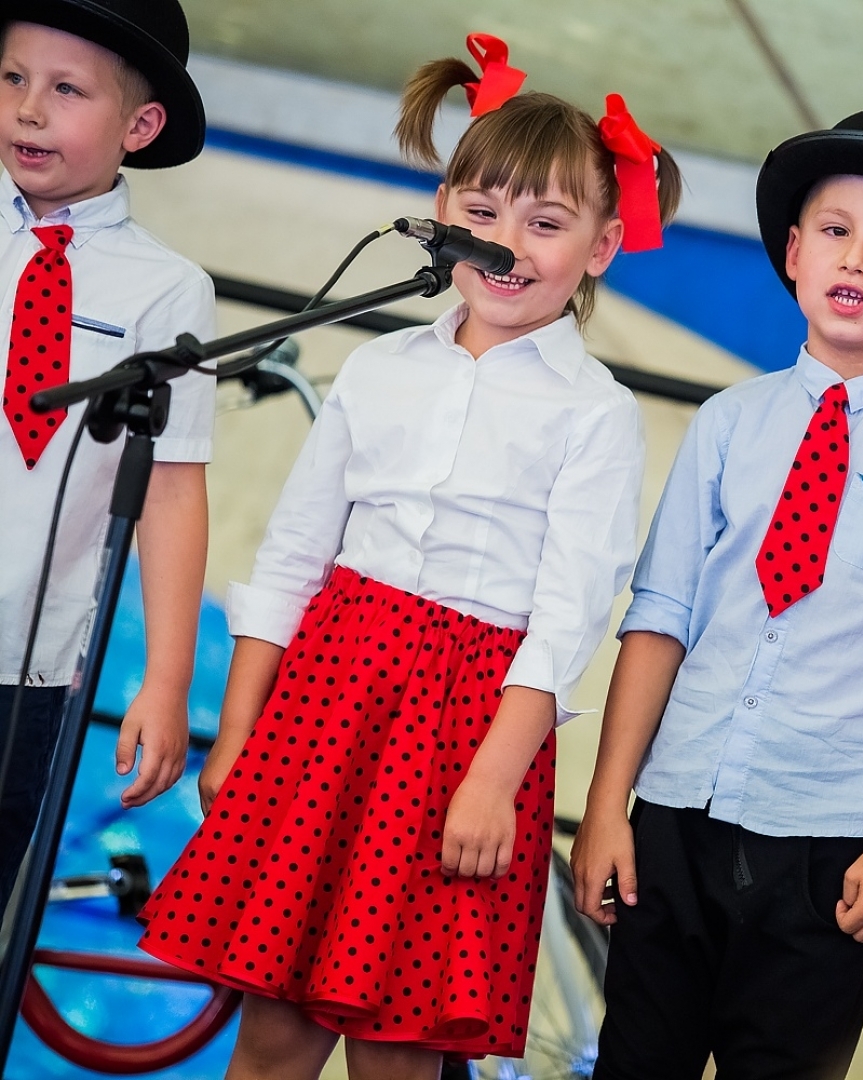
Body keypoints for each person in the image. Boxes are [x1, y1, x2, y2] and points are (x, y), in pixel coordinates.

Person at [136, 34, 680, 1079]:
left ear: (602, 248)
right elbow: (295, 555)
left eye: (545, 222)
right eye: (482, 213)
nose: (507, 242)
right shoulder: (381, 365)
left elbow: (567, 617)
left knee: (398, 1049)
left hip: (468, 726)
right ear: (441, 212)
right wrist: (240, 727)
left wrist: (492, 780)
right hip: (326, 702)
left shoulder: (594, 414)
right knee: (275, 1037)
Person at [571, 108, 863, 1080]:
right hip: (679, 811)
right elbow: (661, 617)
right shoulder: (730, 422)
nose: (857, 257)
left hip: (831, 845)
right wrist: (610, 805)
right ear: (793, 250)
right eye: (836, 229)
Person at [0, 0, 214, 910]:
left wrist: (165, 685)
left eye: (65, 89)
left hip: (28, 664)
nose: (28, 109)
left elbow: (171, 493)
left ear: (141, 124)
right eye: (11, 78)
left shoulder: (167, 291)